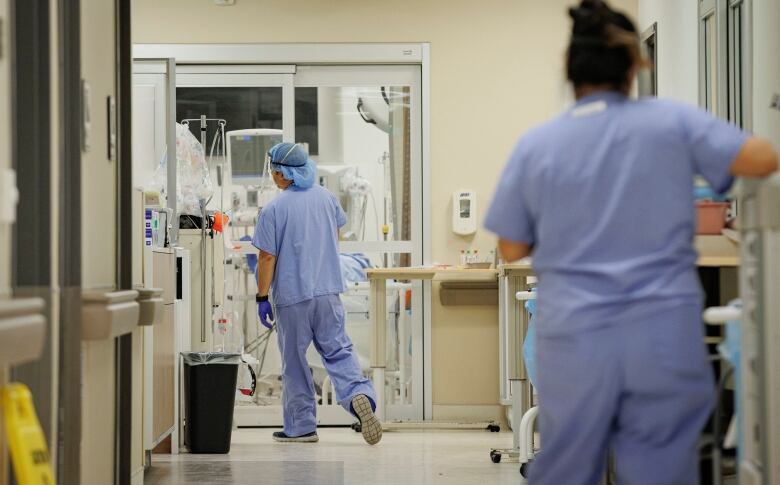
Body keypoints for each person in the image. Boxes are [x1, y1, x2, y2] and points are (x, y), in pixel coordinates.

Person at [484, 1, 778, 484]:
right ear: (636, 66)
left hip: (576, 339)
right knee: (660, 471)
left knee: (569, 469)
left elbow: (511, 248)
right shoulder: (672, 122)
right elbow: (763, 158)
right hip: (661, 334)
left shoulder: (539, 144)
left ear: (569, 70)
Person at [252, 142, 382, 445]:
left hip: (293, 297)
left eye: (273, 169)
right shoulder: (327, 199)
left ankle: (301, 427)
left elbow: (266, 258)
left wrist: (261, 297)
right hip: (328, 293)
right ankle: (359, 394)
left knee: (295, 361)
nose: (272, 175)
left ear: (284, 173)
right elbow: (333, 238)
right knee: (338, 350)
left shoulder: (274, 209)